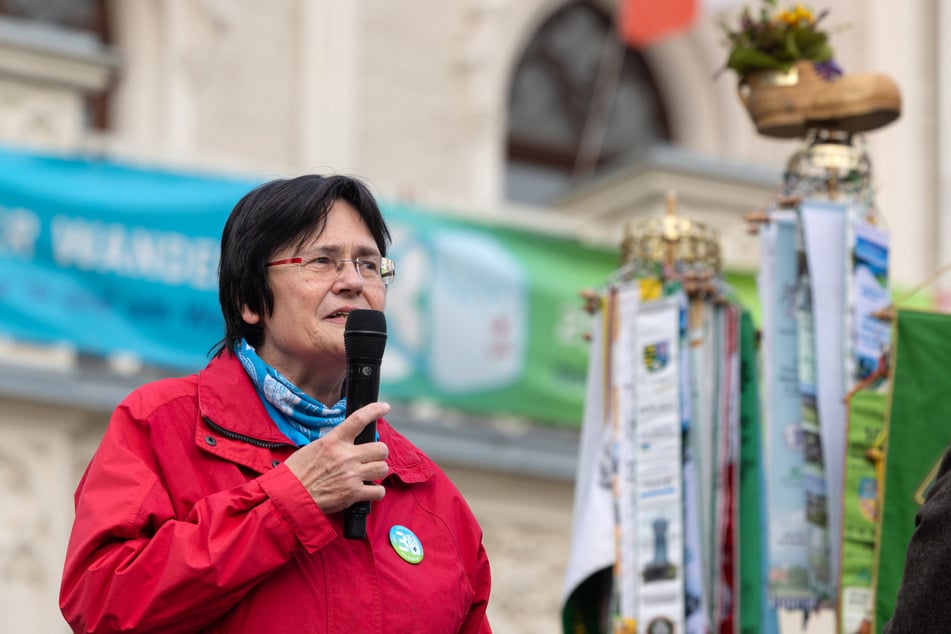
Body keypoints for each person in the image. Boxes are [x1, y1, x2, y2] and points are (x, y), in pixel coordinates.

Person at [59, 174, 492, 633]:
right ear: (249, 299)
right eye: (322, 261)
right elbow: (102, 601)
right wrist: (290, 502)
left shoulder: (429, 495)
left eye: (369, 264)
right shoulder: (160, 425)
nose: (352, 281)